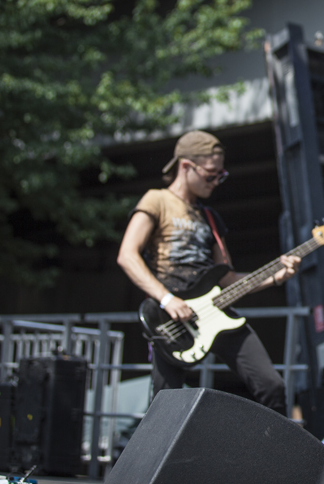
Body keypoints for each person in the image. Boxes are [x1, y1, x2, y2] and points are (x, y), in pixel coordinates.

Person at [117, 130, 300, 415]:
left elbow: (227, 279)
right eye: (211, 174)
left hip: (215, 311)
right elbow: (127, 256)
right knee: (166, 405)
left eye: (220, 175)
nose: (216, 182)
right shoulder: (156, 200)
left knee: (272, 385)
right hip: (170, 318)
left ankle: (272, 443)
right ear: (186, 166)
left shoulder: (211, 218)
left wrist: (275, 276)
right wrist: (167, 299)